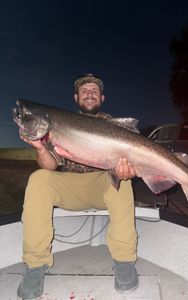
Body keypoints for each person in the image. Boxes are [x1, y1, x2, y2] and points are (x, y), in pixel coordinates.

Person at [17, 74, 139, 299]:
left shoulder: (113, 125)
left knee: (124, 182)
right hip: (71, 185)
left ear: (102, 97)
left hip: (103, 183)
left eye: (94, 91)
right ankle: (36, 265)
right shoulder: (62, 121)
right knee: (38, 178)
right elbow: (50, 166)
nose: (89, 94)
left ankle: (124, 261)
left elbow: (128, 165)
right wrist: (42, 148)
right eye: (84, 91)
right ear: (76, 97)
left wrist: (126, 171)